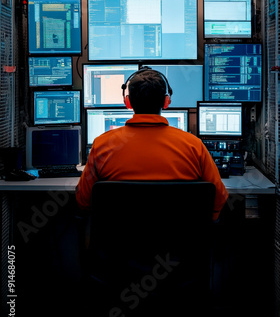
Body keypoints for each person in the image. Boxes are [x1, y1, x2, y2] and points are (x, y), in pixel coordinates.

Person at [76, 67, 228, 220]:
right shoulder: (194, 146)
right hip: (182, 242)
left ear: (127, 102)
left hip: (118, 242)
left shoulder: (102, 145)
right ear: (166, 102)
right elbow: (219, 197)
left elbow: (83, 201)